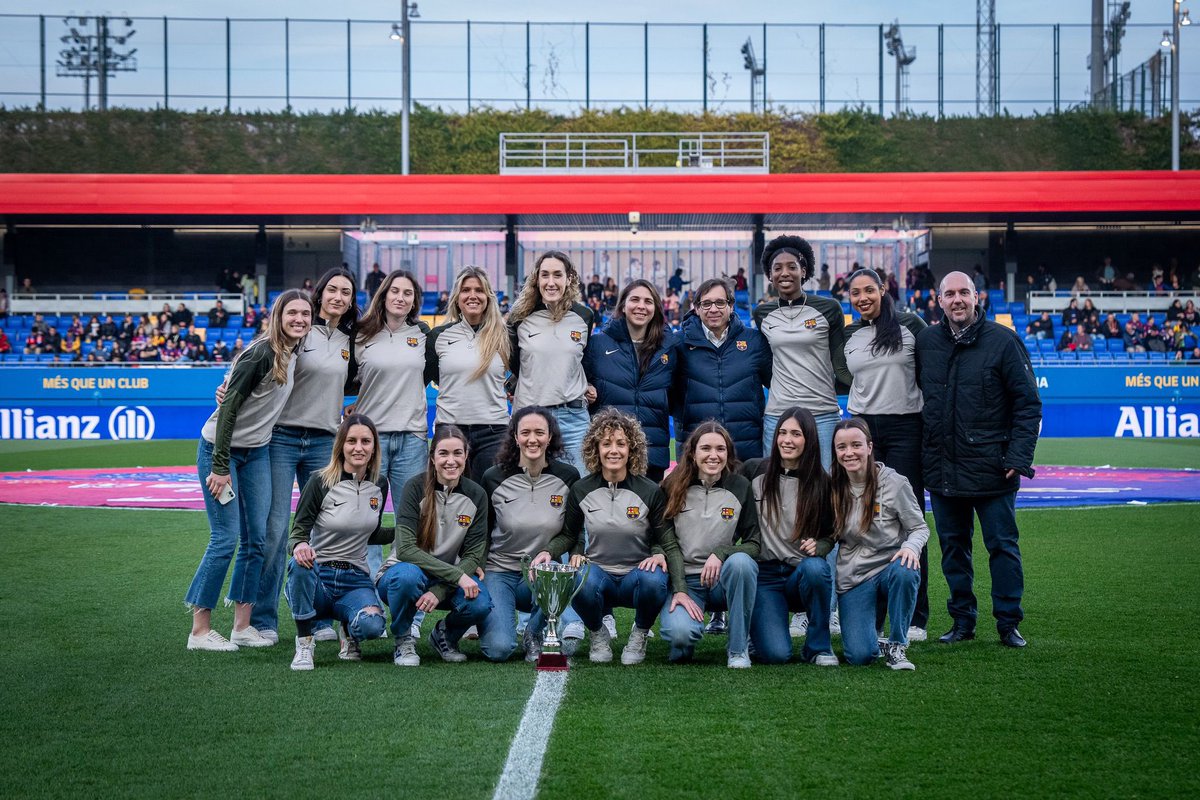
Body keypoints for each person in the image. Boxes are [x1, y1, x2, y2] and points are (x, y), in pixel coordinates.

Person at [917, 271, 1041, 649]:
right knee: (954, 549)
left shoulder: (1004, 342)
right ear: (938, 300)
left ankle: (1008, 623)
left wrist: (1018, 457)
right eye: (949, 293)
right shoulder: (925, 342)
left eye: (964, 293)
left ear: (977, 297)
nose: (957, 300)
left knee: (1002, 545)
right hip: (943, 469)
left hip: (993, 467)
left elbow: (1028, 404)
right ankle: (962, 621)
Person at [184, 289, 314, 652]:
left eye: (306, 314)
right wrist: (220, 466)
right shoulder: (261, 351)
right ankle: (199, 630)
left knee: (257, 540)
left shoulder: (295, 351)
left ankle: (242, 626)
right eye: (293, 313)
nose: (300, 319)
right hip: (220, 451)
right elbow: (227, 410)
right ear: (278, 315)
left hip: (256, 452)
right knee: (225, 539)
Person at [248, 267, 358, 642]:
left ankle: (319, 617)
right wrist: (228, 387)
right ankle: (263, 620)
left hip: (324, 442)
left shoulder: (349, 341)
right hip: (282, 437)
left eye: (346, 292)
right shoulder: (299, 330)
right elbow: (261, 360)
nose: (338, 296)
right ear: (320, 293)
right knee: (276, 530)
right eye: (332, 289)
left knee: (324, 530)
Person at [531, 408, 671, 665]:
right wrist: (548, 552)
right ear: (595, 448)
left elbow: (663, 537)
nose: (613, 450)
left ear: (633, 449)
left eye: (621, 443)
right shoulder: (581, 489)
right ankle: (597, 633)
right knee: (578, 579)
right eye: (606, 444)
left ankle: (639, 634)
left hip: (636, 575)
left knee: (656, 580)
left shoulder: (650, 490)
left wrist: (659, 553)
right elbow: (569, 534)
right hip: (598, 573)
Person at [843, 267, 930, 641]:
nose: (862, 297)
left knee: (908, 518)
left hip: (906, 428)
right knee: (863, 518)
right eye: (855, 293)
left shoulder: (912, 326)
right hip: (863, 428)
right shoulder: (848, 335)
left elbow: (930, 373)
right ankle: (870, 608)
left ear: (883, 289)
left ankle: (916, 616)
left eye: (869, 290)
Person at [376, 424, 493, 666]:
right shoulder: (414, 487)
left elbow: (473, 556)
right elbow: (406, 550)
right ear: (432, 457)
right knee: (408, 577)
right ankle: (403, 639)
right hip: (401, 573)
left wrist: (440, 589)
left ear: (466, 455)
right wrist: (458, 577)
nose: (451, 461)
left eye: (457, 453)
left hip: (446, 581)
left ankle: (444, 635)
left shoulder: (477, 494)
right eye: (443, 454)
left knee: (480, 604)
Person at [284, 414, 392, 670]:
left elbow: (371, 534)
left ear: (374, 446)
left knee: (373, 626)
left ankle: (348, 628)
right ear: (341, 445)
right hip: (319, 575)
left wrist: (406, 532)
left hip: (355, 579)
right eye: (351, 441)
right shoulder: (320, 481)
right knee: (298, 566)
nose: (358, 447)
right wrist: (300, 546)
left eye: (366, 441)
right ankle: (304, 642)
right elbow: (297, 533)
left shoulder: (379, 484)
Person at [478, 406, 583, 662]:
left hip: (540, 573)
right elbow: (482, 532)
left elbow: (572, 531)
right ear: (515, 436)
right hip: (500, 571)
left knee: (566, 578)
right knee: (499, 649)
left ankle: (534, 633)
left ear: (550, 437)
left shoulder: (568, 476)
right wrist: (477, 566)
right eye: (525, 432)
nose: (532, 439)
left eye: (539, 432)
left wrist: (560, 553)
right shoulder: (493, 477)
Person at [658, 422, 761, 668]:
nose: (713, 456)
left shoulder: (740, 486)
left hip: (722, 578)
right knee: (680, 640)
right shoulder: (672, 485)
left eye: (720, 449)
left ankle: (738, 650)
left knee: (742, 563)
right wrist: (679, 585)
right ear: (693, 453)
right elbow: (660, 538)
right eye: (706, 448)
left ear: (728, 453)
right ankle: (684, 637)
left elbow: (755, 543)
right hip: (686, 581)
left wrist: (722, 552)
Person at [830, 418, 927, 670]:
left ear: (870, 447)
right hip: (854, 575)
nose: (849, 453)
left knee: (906, 570)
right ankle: (874, 635)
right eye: (842, 447)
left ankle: (897, 644)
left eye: (856, 445)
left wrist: (910, 547)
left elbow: (919, 527)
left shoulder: (895, 483)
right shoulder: (831, 486)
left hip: (890, 567)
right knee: (860, 656)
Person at [743, 407, 837, 666]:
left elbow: (832, 533)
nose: (787, 440)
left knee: (818, 569)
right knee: (776, 655)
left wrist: (821, 545)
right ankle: (759, 631)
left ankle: (818, 647)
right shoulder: (754, 470)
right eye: (782, 432)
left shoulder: (822, 483)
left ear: (809, 439)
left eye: (796, 434)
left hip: (800, 573)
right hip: (765, 576)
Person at [354, 270, 432, 580]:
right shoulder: (360, 334)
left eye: (408, 293)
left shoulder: (424, 335)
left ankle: (398, 580)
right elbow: (339, 376)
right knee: (364, 517)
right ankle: (368, 583)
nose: (401, 297)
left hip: (412, 437)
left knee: (410, 517)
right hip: (370, 439)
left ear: (415, 301)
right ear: (384, 295)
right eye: (395, 291)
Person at [753, 235, 849, 468]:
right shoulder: (762, 314)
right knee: (778, 485)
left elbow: (841, 363)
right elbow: (766, 363)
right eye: (777, 268)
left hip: (822, 413)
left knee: (824, 487)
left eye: (791, 267)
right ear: (770, 276)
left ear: (804, 271)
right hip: (778, 414)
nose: (784, 273)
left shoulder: (830, 308)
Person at [507, 250, 595, 474]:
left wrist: (589, 384)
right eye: (545, 275)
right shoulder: (519, 317)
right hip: (530, 417)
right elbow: (516, 364)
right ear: (536, 279)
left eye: (558, 275)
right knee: (530, 489)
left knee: (579, 490)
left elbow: (582, 360)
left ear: (569, 279)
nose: (551, 282)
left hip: (574, 418)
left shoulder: (584, 316)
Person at [584, 280, 679, 482]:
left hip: (652, 455)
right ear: (623, 306)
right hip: (610, 453)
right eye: (635, 299)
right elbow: (575, 377)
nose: (641, 306)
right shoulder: (597, 345)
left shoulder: (669, 347)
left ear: (656, 308)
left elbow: (676, 393)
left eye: (648, 301)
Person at [425, 267, 511, 483]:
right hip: (450, 431)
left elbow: (526, 370)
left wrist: (510, 387)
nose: (472, 295)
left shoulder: (504, 335)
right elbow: (431, 376)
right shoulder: (439, 336)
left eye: (479, 290)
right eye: (466, 290)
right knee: (450, 502)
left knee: (491, 506)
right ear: (457, 297)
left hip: (494, 432)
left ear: (488, 296)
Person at [672, 277, 771, 461]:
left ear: (731, 306)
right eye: (707, 303)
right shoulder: (678, 344)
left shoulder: (755, 341)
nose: (714, 309)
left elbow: (776, 383)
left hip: (746, 452)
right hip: (696, 454)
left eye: (720, 302)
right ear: (697, 308)